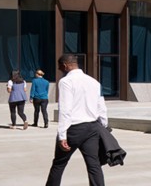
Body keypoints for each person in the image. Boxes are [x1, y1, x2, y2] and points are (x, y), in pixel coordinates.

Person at [46, 53, 108, 186]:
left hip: (73, 129)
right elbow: (102, 107)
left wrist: (62, 135)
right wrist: (103, 125)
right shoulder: (94, 82)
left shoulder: (66, 82)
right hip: (92, 128)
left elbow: (65, 109)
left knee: (59, 164)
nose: (59, 70)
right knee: (94, 165)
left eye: (60, 67)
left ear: (65, 65)